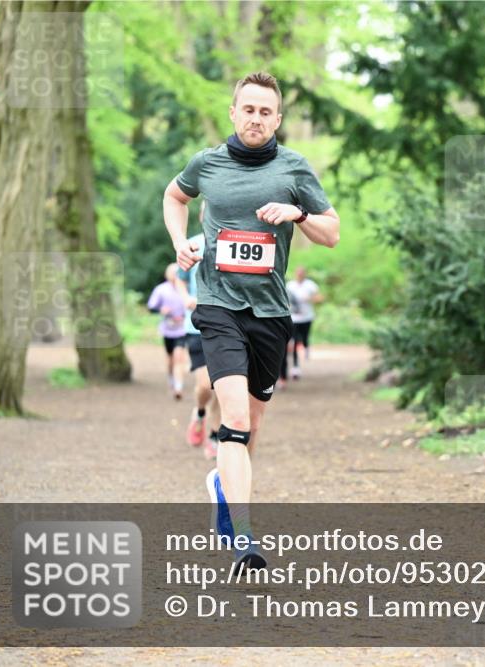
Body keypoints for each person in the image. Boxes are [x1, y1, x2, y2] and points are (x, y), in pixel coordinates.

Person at [163, 71, 339, 570]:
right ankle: (244, 539)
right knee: (235, 421)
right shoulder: (207, 164)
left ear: (277, 119)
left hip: (271, 313)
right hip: (218, 307)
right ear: (233, 113)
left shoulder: (294, 168)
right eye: (249, 109)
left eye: (266, 111)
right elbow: (174, 196)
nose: (256, 118)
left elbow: (332, 233)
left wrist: (298, 214)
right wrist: (180, 241)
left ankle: (223, 484)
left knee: (251, 426)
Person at [176, 201, 222, 458]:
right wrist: (185, 299)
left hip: (229, 325)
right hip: (197, 325)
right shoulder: (192, 244)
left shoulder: (233, 243)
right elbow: (179, 279)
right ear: (203, 216)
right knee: (206, 385)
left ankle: (215, 436)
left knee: (224, 385)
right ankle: (200, 412)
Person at [146, 264, 188, 401]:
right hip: (167, 329)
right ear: (166, 274)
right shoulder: (161, 289)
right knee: (170, 359)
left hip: (182, 329)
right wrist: (161, 310)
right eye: (172, 272)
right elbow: (151, 307)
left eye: (177, 272)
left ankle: (178, 387)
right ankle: (171, 379)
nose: (174, 275)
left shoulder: (186, 288)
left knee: (179, 357)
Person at [280, 266, 321, 384]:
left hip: (307, 317)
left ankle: (306, 348)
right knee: (293, 342)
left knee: (304, 338)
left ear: (305, 274)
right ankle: (295, 368)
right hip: (293, 318)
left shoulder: (310, 285)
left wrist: (310, 298)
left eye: (302, 273)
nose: (300, 275)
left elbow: (319, 298)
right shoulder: (290, 285)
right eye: (298, 273)